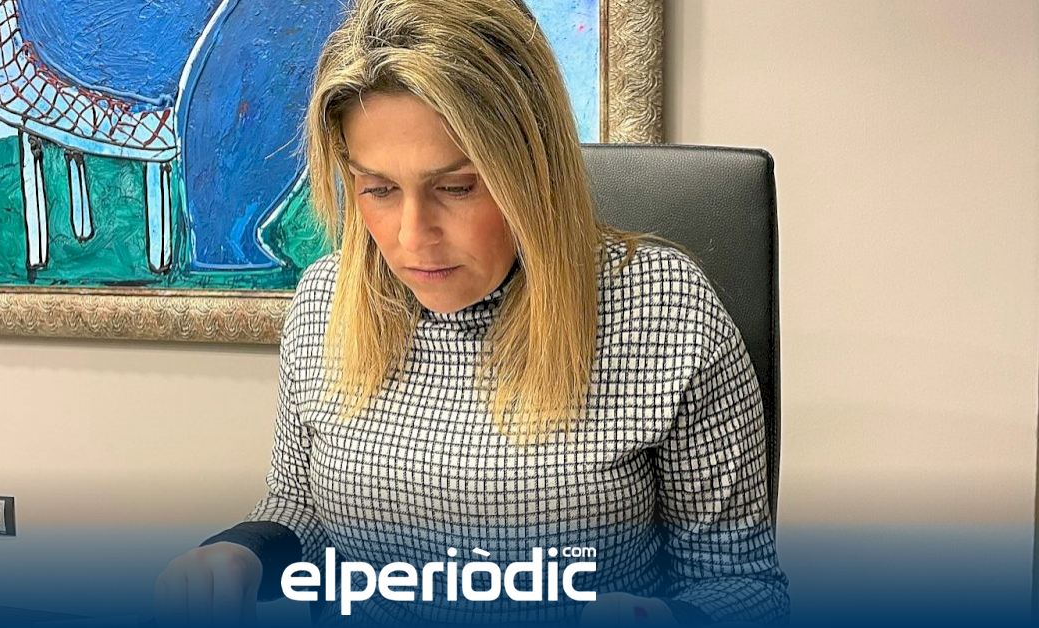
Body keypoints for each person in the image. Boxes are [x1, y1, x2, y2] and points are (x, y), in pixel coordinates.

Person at [154, 0, 789, 626]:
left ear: (532, 168)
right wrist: (242, 552)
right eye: (378, 189)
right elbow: (299, 504)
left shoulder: (665, 310)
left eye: (456, 187)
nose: (412, 237)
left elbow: (745, 585)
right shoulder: (325, 301)